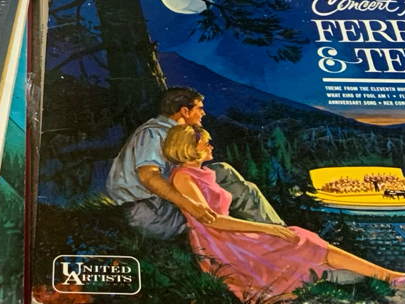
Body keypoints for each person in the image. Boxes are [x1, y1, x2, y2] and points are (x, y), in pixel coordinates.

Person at [164, 125, 405, 304]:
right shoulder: (184, 177)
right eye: (205, 143)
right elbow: (211, 220)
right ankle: (390, 278)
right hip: (220, 242)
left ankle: (391, 277)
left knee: (304, 241)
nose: (211, 146)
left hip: (228, 234)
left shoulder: (201, 173)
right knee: (300, 240)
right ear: (190, 148)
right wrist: (266, 229)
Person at [106, 87, 280, 239]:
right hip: (151, 211)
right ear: (185, 111)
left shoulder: (174, 132)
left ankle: (277, 230)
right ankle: (276, 233)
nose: (203, 113)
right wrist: (191, 205)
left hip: (162, 203)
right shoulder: (153, 134)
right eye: (200, 108)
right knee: (232, 190)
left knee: (223, 171)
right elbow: (148, 176)